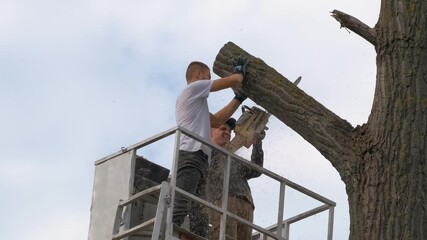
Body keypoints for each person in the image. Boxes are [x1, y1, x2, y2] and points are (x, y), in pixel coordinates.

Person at [173, 58, 249, 239]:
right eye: (207, 77)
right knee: (181, 204)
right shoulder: (192, 89)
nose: (208, 81)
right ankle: (167, 234)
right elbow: (234, 80)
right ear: (199, 75)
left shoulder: (196, 103)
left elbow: (215, 121)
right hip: (190, 156)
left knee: (199, 212)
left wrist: (238, 99)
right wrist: (239, 73)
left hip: (200, 159)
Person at [208, 118, 265, 240]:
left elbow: (256, 170)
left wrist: (257, 142)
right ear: (210, 132)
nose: (227, 132)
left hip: (246, 203)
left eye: (229, 131)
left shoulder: (233, 158)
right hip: (223, 199)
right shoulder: (205, 150)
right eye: (222, 129)